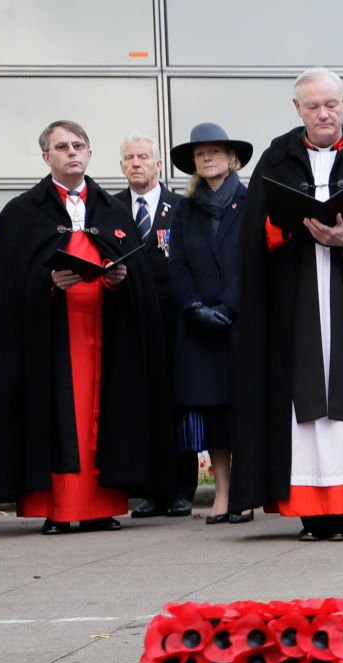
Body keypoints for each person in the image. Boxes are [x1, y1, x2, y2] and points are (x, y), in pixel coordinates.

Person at [231, 68, 343, 541]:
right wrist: (288, 225)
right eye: (313, 106)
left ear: (342, 105)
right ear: (298, 110)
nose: (324, 113)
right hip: (294, 305)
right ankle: (310, 510)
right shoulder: (276, 158)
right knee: (302, 402)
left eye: (332, 104)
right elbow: (254, 233)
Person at [0, 120, 173, 533]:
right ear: (46, 157)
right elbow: (5, 281)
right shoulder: (22, 213)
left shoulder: (113, 209)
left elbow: (139, 273)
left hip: (105, 335)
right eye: (61, 147)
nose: (72, 152)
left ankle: (101, 505)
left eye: (79, 145)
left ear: (90, 154)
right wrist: (46, 281)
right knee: (56, 415)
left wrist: (121, 280)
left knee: (103, 414)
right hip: (50, 337)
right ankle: (58, 509)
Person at [168, 123, 251, 524]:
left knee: (243, 410)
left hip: (241, 323)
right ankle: (223, 494)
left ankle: (246, 494)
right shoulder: (184, 210)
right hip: (201, 325)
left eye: (214, 151)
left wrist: (230, 307)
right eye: (200, 154)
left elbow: (257, 263)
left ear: (231, 157)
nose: (207, 158)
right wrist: (195, 307)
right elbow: (177, 264)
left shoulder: (252, 203)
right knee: (215, 413)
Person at [114, 132, 196, 519]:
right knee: (142, 406)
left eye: (143, 157)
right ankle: (149, 491)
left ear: (158, 164)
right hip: (131, 324)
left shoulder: (181, 207)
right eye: (129, 158)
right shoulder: (111, 209)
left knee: (179, 406)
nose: (136, 164)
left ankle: (181, 489)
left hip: (174, 322)